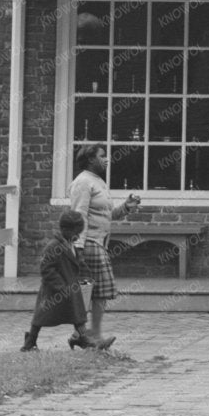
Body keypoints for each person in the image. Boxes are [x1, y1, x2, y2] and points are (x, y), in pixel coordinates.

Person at [66, 145, 137, 349]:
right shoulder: (82, 182)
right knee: (91, 291)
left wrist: (125, 208)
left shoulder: (98, 181)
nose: (107, 160)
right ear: (90, 159)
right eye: (102, 156)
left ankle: (84, 334)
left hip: (99, 243)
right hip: (88, 243)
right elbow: (79, 215)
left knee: (98, 291)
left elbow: (106, 215)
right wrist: (78, 247)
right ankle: (89, 335)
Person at [22, 209, 107, 350]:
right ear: (66, 230)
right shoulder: (54, 246)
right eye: (76, 233)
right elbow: (46, 268)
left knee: (78, 314)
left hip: (70, 289)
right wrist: (60, 286)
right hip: (53, 290)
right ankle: (30, 341)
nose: (78, 236)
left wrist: (87, 275)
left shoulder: (70, 245)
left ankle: (83, 338)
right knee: (41, 317)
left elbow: (78, 263)